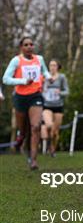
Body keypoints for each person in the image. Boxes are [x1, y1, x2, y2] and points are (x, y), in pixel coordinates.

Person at [3, 37, 51, 169]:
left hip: (35, 95)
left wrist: (48, 77)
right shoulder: (16, 61)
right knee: (24, 130)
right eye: (26, 45)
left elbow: (45, 71)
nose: (29, 46)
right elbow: (6, 79)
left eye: (31, 44)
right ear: (21, 47)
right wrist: (23, 81)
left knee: (35, 127)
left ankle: (33, 160)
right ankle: (21, 137)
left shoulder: (39, 59)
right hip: (20, 97)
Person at [41, 59, 69, 157]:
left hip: (58, 106)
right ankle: (49, 145)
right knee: (49, 125)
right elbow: (40, 88)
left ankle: (52, 148)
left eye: (54, 65)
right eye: (50, 65)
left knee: (55, 132)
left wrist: (60, 93)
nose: (52, 67)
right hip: (47, 105)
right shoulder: (44, 76)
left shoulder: (62, 77)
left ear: (57, 67)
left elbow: (67, 91)